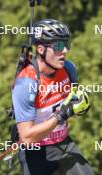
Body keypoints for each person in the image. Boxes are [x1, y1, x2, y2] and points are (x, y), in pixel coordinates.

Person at [12, 19, 94, 175]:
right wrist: (61, 116)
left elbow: (71, 100)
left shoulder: (69, 69)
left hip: (63, 144)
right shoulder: (26, 83)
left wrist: (80, 105)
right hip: (35, 152)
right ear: (41, 49)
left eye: (66, 44)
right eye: (58, 46)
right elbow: (27, 137)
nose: (64, 51)